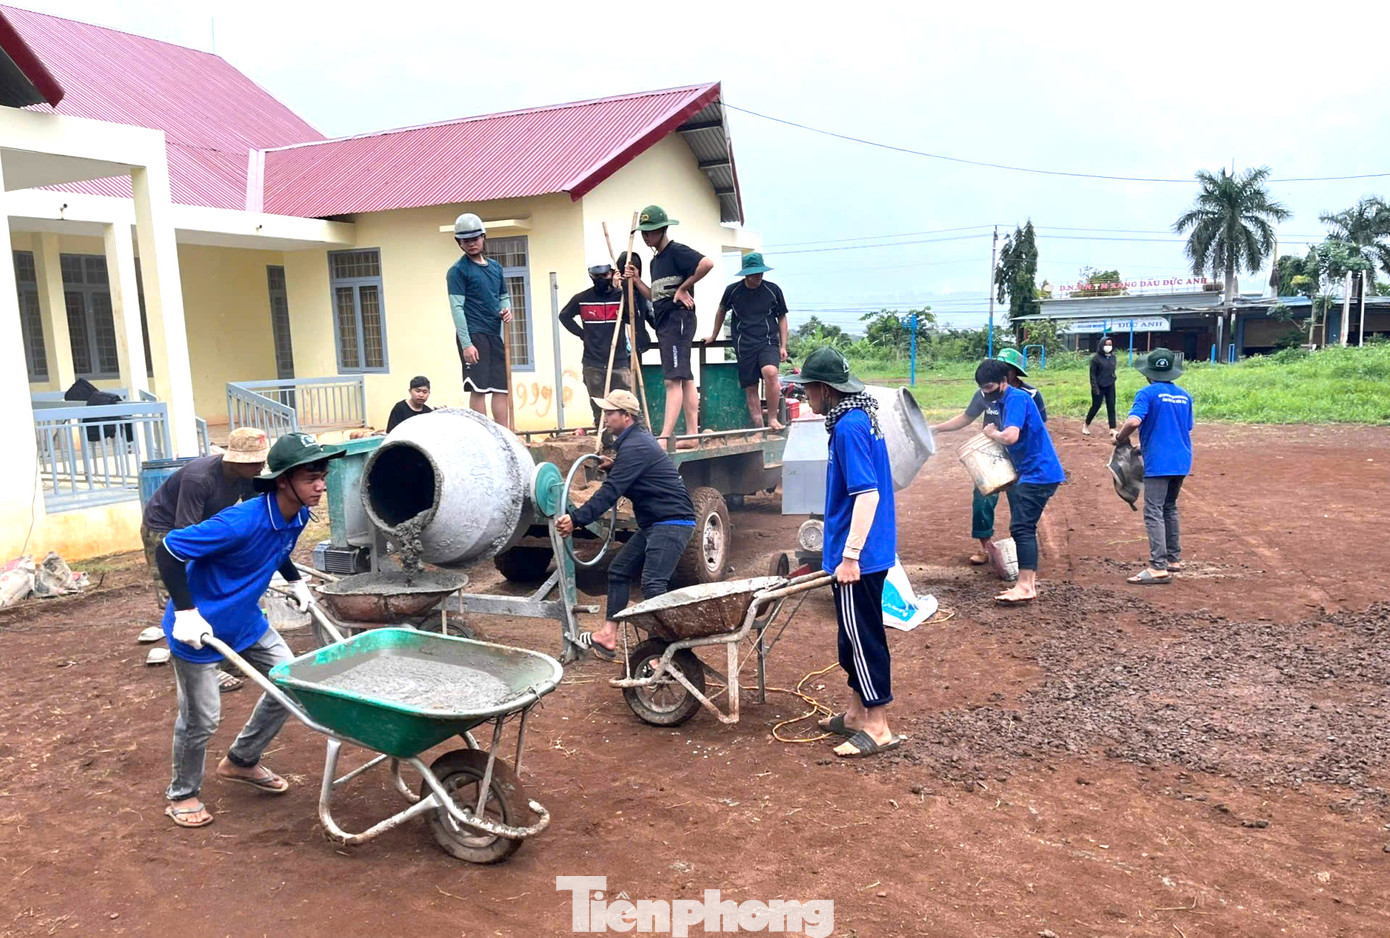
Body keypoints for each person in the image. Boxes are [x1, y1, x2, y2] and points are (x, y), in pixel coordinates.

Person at [153, 433, 342, 828]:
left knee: (291, 683)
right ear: (283, 481)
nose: (320, 487)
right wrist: (185, 612)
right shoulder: (238, 522)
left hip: (246, 622)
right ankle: (182, 794)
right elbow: (168, 549)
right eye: (311, 478)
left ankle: (241, 760)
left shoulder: (297, 514)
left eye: (322, 477)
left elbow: (279, 548)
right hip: (199, 628)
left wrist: (296, 582)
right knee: (202, 719)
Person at [784, 348, 902, 758]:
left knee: (863, 638)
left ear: (825, 389)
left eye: (808, 388)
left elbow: (867, 495)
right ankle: (855, 714)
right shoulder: (856, 418)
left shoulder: (850, 427)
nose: (806, 395)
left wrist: (850, 556)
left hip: (860, 558)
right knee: (851, 636)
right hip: (862, 551)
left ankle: (878, 726)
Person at [554, 390, 695, 660]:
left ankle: (664, 654)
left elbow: (610, 492)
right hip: (656, 522)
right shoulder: (634, 443)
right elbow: (634, 474)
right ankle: (608, 636)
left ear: (627, 416)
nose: (605, 418)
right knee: (619, 570)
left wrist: (577, 519)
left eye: (610, 413)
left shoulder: (635, 446)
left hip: (671, 522)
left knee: (653, 584)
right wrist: (614, 466)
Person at [140, 427, 270, 690]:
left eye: (262, 461)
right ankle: (201, 664)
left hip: (203, 529)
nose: (260, 467)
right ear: (236, 460)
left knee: (218, 590)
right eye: (255, 462)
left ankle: (226, 654)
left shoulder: (246, 476)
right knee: (183, 594)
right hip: (166, 534)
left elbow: (255, 510)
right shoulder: (199, 478)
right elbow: (184, 534)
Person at [928, 349, 1044, 575]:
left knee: (1020, 503)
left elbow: (1039, 427)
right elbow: (966, 417)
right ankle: (985, 548)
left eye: (1006, 368)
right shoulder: (985, 392)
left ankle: (1020, 550)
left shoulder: (1029, 395)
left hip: (1020, 455)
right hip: (991, 454)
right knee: (982, 500)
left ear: (1013, 373)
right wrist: (937, 428)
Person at [976, 359, 1066, 605]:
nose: (987, 392)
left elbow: (1010, 436)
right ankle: (1026, 584)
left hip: (1039, 473)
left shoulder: (1016, 399)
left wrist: (992, 433)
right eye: (983, 389)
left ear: (1004, 381)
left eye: (990, 387)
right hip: (1032, 472)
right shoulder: (1005, 400)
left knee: (1022, 528)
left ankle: (1026, 586)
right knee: (1022, 526)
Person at [624, 204, 713, 450]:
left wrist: (684, 288)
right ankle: (692, 434)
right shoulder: (655, 262)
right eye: (644, 232)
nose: (646, 236)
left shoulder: (676, 251)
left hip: (678, 320)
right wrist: (636, 280)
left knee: (672, 380)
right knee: (685, 378)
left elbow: (707, 264)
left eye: (650, 231)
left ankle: (664, 437)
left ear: (663, 230)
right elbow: (655, 296)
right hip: (665, 323)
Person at [1114, 348, 1193, 584]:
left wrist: (1119, 438)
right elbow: (1182, 428)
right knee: (1169, 507)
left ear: (1148, 373)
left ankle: (1158, 566)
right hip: (1181, 460)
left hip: (1159, 462)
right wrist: (1143, 447)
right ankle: (1173, 559)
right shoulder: (1184, 396)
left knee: (1153, 511)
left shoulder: (1147, 393)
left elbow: (1133, 421)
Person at [559, 255, 652, 431]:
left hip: (619, 361)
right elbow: (564, 316)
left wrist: (626, 291)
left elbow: (633, 318)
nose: (601, 279)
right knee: (600, 411)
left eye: (604, 275)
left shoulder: (621, 297)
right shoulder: (582, 298)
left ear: (611, 273)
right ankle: (606, 441)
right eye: (597, 276)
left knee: (627, 408)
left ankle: (633, 439)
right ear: (591, 276)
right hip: (593, 362)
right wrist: (582, 334)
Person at [707, 251, 789, 430]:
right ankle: (759, 426)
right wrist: (714, 335)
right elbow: (721, 311)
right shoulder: (733, 291)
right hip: (744, 343)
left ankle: (773, 418)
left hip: (768, 341)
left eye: (760, 273)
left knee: (771, 372)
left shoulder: (773, 290)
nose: (758, 277)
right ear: (746, 274)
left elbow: (782, 317)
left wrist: (783, 345)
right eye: (754, 274)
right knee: (751, 386)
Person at [447, 212, 513, 426]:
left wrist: (506, 309)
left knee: (501, 388)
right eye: (466, 240)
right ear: (459, 242)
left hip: (494, 333)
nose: (471, 243)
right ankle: (483, 434)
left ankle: (504, 434)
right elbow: (457, 308)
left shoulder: (495, 267)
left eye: (475, 238)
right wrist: (466, 344)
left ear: (483, 237)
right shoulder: (457, 271)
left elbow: (503, 296)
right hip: (473, 335)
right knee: (479, 388)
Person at [1084, 337, 1118, 438]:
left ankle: (1112, 428)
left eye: (1110, 344)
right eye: (1106, 344)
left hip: (1110, 384)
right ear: (1102, 345)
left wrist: (1113, 377)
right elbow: (1092, 375)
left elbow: (1112, 371)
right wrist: (1095, 388)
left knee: (1111, 405)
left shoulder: (1113, 357)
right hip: (1099, 385)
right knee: (1096, 406)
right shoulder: (1096, 359)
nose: (1108, 346)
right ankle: (1086, 425)